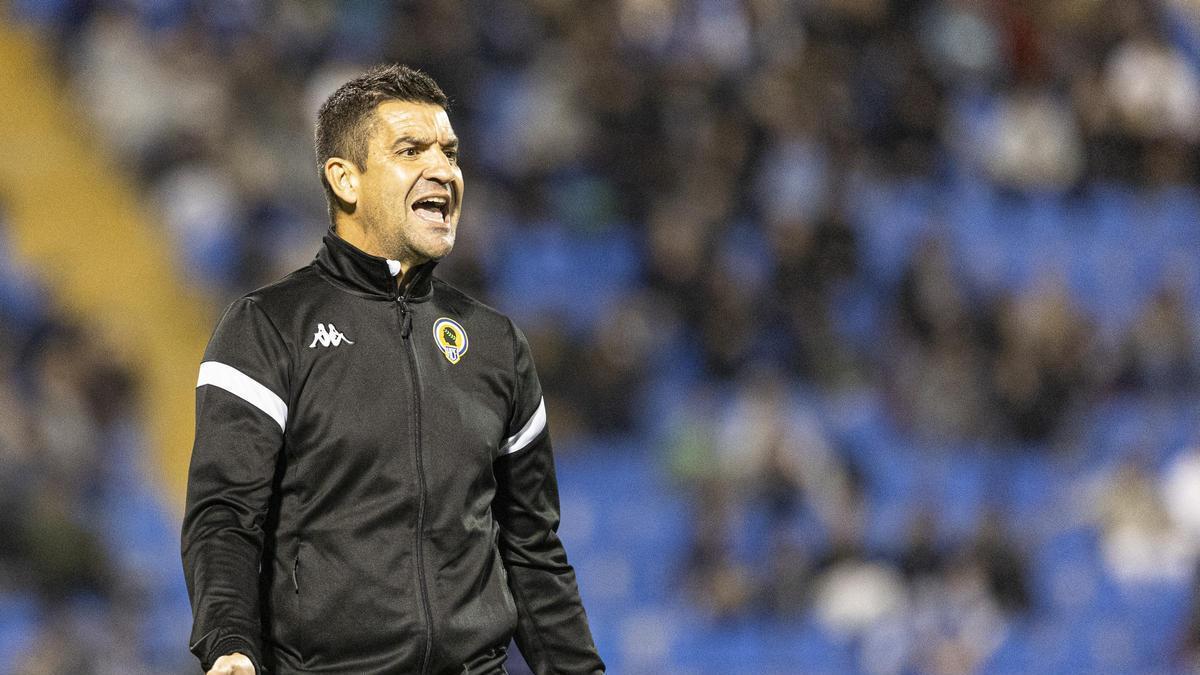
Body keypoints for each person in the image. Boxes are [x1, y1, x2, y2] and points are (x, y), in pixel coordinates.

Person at [181, 64, 605, 675]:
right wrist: (229, 642)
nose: (444, 170)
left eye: (450, 152)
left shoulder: (496, 345)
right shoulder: (268, 328)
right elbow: (224, 515)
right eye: (411, 150)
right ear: (345, 179)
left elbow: (532, 550)